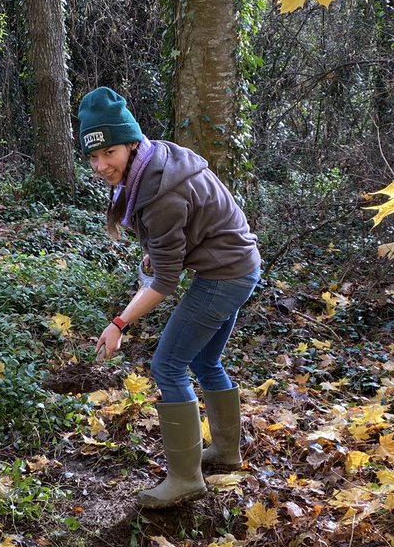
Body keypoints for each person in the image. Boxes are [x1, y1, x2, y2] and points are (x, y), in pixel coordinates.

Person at [79, 86, 261, 509]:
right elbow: (181, 234)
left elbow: (164, 282)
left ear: (130, 143)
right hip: (237, 265)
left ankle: (185, 479)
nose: (101, 165)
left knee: (167, 364)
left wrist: (119, 323)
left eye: (109, 153)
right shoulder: (156, 161)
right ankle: (226, 453)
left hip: (225, 275)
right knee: (204, 361)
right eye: (93, 156)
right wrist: (162, 251)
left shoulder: (159, 191)